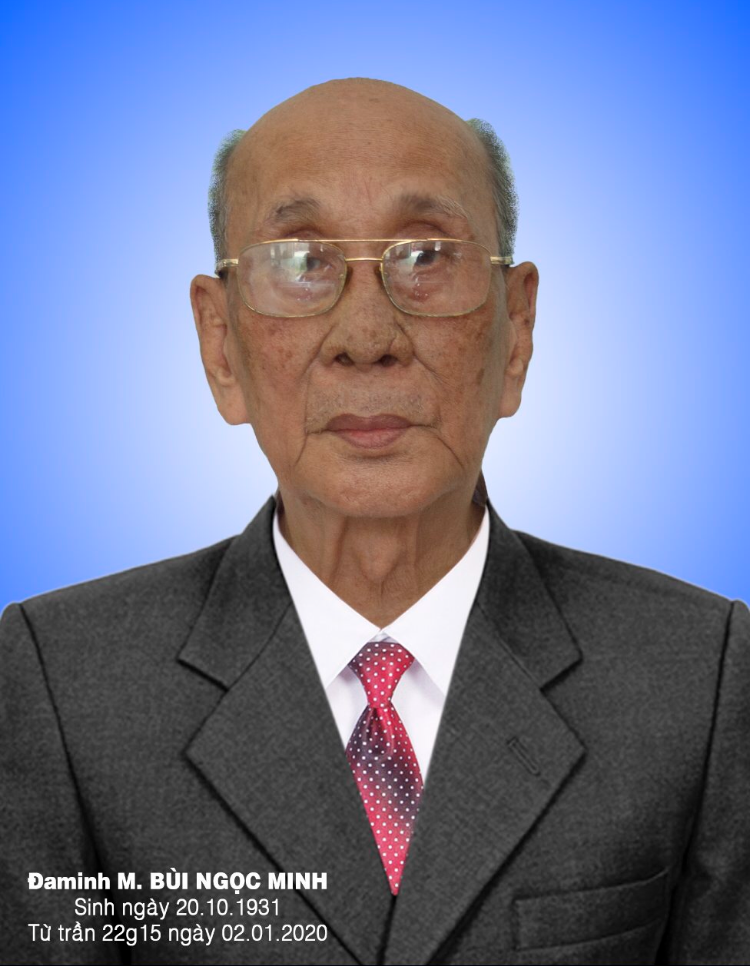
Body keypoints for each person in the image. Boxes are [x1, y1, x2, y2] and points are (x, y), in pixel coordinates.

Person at [1, 77, 748, 966]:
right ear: (220, 344)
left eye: (426, 255)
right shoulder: (61, 684)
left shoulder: (698, 674)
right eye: (300, 262)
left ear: (517, 330)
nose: (366, 336)